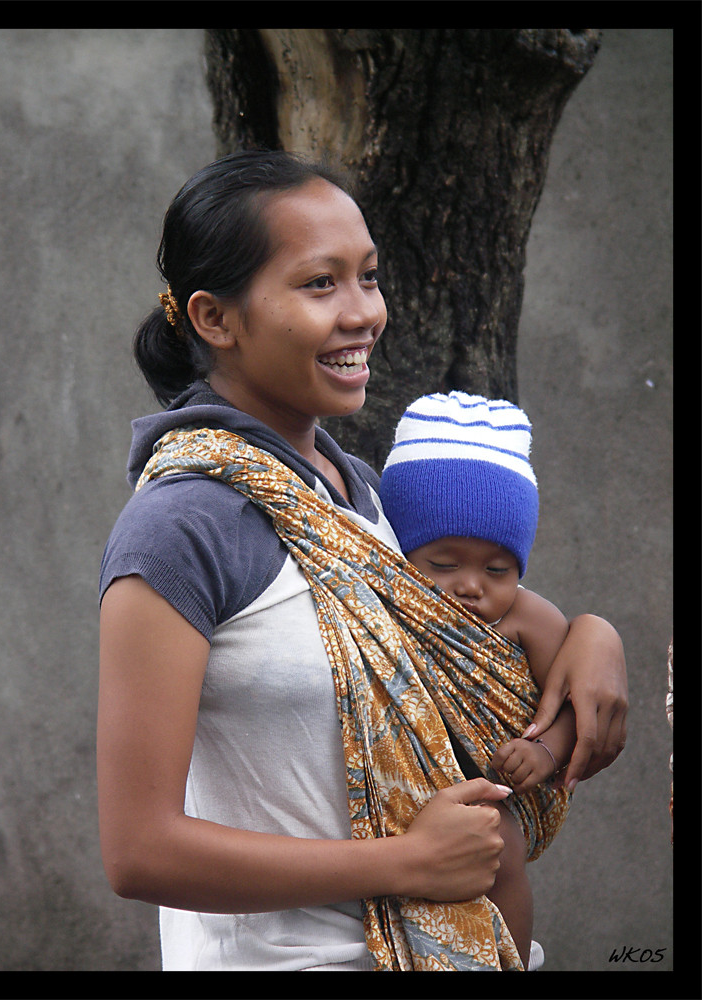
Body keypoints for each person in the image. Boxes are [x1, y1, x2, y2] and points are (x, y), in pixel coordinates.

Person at [97, 150, 628, 972]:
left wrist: (593, 638)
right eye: (320, 284)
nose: (364, 314)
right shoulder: (181, 528)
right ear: (213, 318)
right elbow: (139, 850)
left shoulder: (360, 499)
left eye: (369, 278)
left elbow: (476, 621)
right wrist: (405, 864)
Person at [378, 390, 579, 968]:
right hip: (402, 787)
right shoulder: (381, 604)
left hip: (494, 788)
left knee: (503, 850)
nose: (471, 585)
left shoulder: (529, 618)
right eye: (444, 564)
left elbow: (567, 705)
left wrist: (542, 751)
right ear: (400, 553)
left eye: (498, 569)